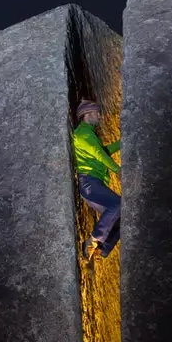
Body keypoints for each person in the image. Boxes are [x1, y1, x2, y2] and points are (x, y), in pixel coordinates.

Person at [72, 99, 122, 259]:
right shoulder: (82, 134)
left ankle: (101, 249)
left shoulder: (89, 134)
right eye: (97, 113)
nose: (100, 116)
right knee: (119, 204)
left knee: (123, 218)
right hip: (89, 183)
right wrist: (117, 170)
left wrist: (122, 143)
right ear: (87, 114)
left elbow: (103, 150)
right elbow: (100, 154)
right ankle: (93, 240)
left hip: (94, 184)